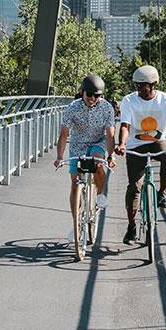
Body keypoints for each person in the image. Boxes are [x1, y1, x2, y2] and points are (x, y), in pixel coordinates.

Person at [113, 64, 166, 244]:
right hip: (136, 144)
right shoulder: (129, 100)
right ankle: (131, 227)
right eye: (136, 85)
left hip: (157, 141)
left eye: (142, 85)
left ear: (152, 85)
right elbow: (126, 125)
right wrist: (121, 144)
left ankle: (161, 193)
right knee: (134, 187)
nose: (139, 89)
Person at [53, 74, 116, 223]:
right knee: (75, 185)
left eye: (97, 95)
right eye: (90, 94)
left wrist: (111, 156)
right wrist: (60, 157)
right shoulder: (72, 107)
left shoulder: (107, 108)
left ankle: (100, 195)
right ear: (82, 91)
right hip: (77, 145)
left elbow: (110, 135)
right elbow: (63, 135)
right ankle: (76, 224)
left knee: (97, 164)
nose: (93, 98)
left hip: (97, 142)